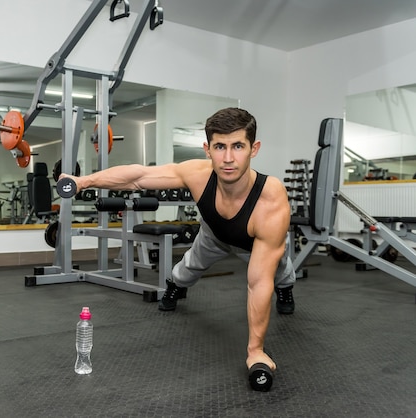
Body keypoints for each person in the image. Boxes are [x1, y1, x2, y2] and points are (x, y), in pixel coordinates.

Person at [59, 107, 295, 373]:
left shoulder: (270, 197)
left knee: (279, 270)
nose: (228, 158)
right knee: (186, 269)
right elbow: (138, 177)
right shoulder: (197, 174)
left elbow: (257, 282)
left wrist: (256, 351)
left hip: (251, 242)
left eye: (238, 146)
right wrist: (83, 181)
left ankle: (286, 289)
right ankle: (175, 286)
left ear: (254, 149)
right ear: (207, 149)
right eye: (220, 147)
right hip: (213, 234)